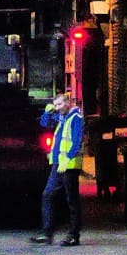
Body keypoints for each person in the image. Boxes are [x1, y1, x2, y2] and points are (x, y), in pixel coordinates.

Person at [30, 91, 83, 246]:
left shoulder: (76, 118)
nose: (58, 107)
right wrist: (47, 112)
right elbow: (44, 123)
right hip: (58, 164)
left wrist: (69, 158)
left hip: (70, 165)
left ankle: (74, 236)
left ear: (68, 103)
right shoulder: (61, 118)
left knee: (72, 200)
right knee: (48, 195)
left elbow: (77, 141)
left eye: (60, 104)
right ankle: (47, 233)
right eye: (56, 105)